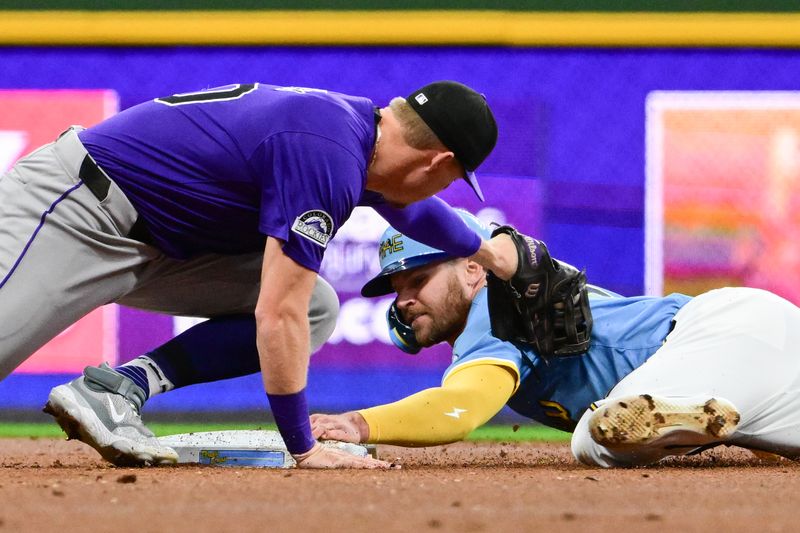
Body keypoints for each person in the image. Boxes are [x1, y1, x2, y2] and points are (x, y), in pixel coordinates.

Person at [0, 81, 520, 469]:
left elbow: (414, 213)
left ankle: (120, 389)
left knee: (319, 305)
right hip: (74, 212)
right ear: (438, 162)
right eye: (452, 179)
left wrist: (488, 252)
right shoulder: (329, 153)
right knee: (296, 306)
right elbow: (278, 313)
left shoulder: (360, 138)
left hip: (162, 248)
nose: (440, 191)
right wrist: (303, 446)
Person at [310, 210, 800, 468]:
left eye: (418, 281)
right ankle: (707, 412)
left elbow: (458, 409)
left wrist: (357, 424)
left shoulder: (495, 309)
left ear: (474, 269)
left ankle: (683, 411)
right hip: (758, 337)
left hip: (713, 334)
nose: (404, 300)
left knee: (594, 439)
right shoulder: (515, 293)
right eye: (397, 289)